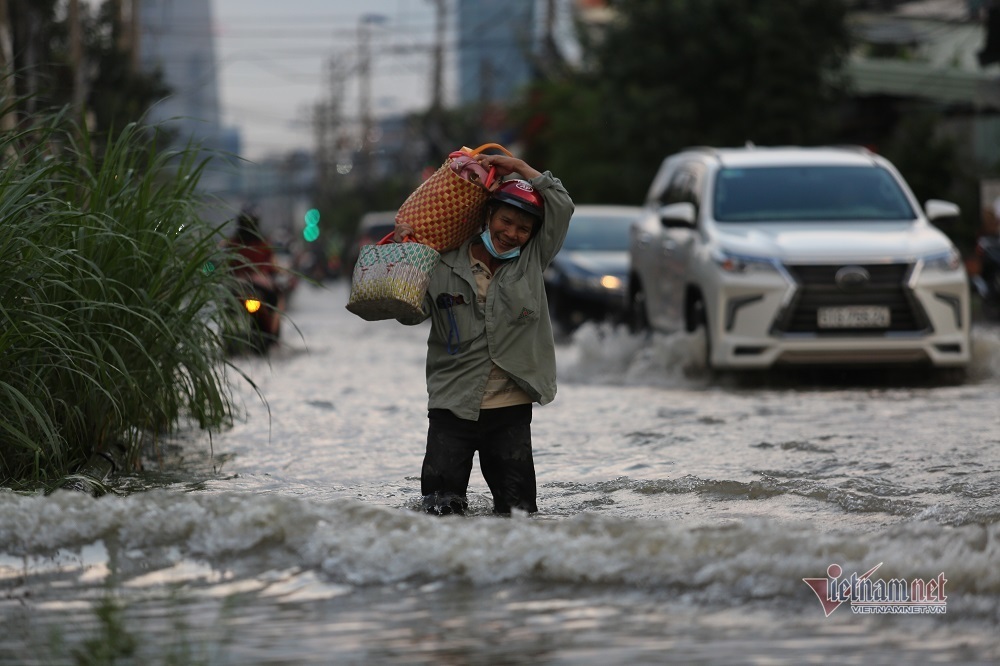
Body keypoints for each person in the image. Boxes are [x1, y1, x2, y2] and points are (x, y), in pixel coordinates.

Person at [394, 153, 574, 515]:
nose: (512, 234)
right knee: (439, 512)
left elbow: (562, 205)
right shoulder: (441, 262)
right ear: (487, 216)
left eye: (523, 229)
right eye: (506, 221)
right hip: (451, 407)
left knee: (519, 515)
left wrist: (520, 168)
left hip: (510, 411)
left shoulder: (532, 260)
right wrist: (406, 258)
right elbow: (408, 317)